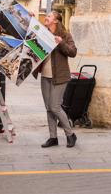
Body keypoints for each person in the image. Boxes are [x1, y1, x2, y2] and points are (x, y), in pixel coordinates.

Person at [32, 10, 78, 148]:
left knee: (55, 107)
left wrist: (61, 43)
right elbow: (31, 32)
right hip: (45, 76)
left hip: (60, 77)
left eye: (49, 16)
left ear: (56, 20)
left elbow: (73, 52)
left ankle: (70, 134)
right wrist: (31, 19)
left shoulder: (64, 34)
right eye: (46, 16)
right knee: (48, 108)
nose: (46, 18)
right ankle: (53, 137)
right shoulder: (43, 33)